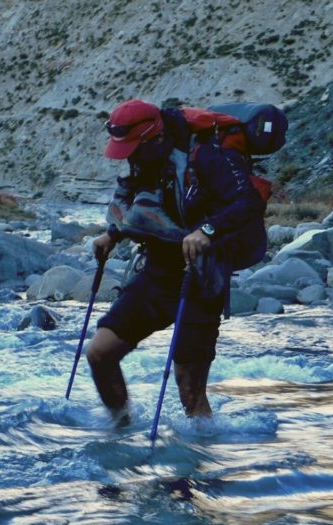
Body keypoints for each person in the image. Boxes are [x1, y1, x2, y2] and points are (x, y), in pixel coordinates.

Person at [85, 99, 266, 424]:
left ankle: (198, 465)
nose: (128, 156)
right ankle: (120, 428)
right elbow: (139, 201)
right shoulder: (144, 158)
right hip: (157, 270)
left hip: (200, 276)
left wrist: (207, 231)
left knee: (189, 390)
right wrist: (112, 235)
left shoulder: (209, 154)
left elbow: (248, 202)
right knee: (100, 353)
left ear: (156, 137)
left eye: (132, 148)